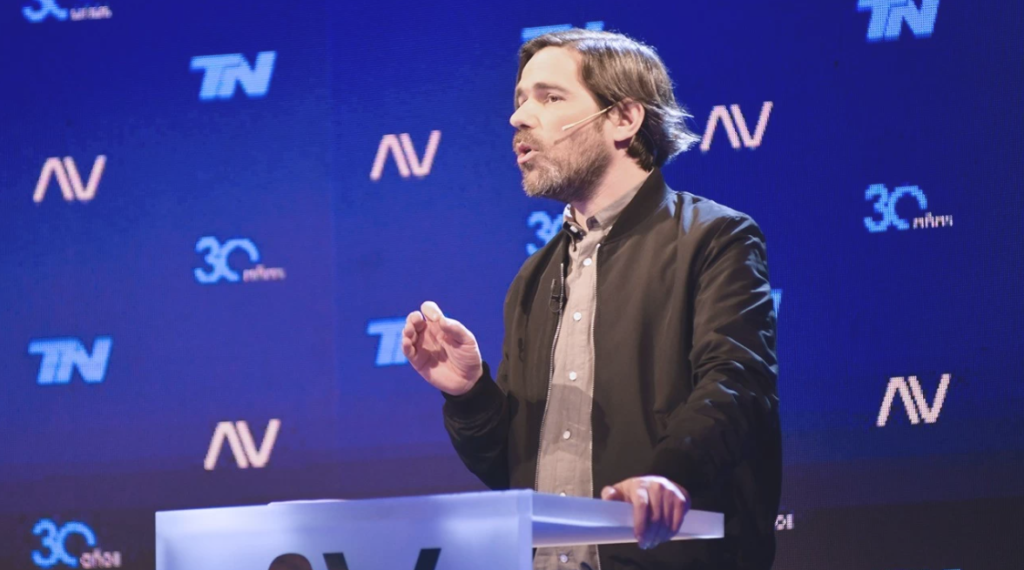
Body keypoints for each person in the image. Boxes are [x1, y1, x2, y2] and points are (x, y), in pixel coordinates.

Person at [401, 28, 781, 570]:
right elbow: (516, 468)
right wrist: (469, 395)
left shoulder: (715, 238)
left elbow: (736, 385)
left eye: (550, 98)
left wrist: (668, 477)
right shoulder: (533, 278)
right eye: (519, 100)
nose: (519, 118)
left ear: (624, 119)